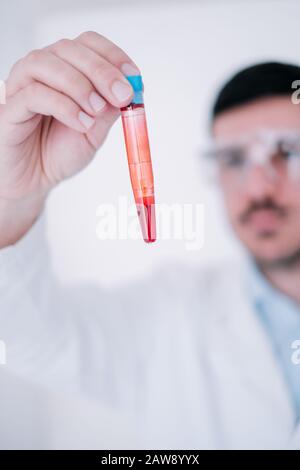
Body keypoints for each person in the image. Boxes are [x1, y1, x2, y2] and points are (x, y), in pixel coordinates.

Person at [0, 31, 300, 450]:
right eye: (234, 159)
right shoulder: (171, 314)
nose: (258, 188)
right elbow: (33, 344)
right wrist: (13, 200)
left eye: (286, 152)